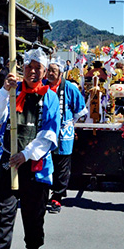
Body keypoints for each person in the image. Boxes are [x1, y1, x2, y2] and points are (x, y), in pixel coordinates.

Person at [0, 48, 60, 249]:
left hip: (35, 165)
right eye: (29, 66)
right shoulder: (12, 91)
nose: (33, 71)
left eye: (38, 68)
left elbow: (49, 133)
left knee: (34, 216)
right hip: (8, 163)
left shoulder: (50, 97)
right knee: (3, 214)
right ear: (21, 69)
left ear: (46, 72)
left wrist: (25, 154)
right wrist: (5, 90)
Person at [45, 57, 87, 214]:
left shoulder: (69, 87)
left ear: (61, 73)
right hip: (47, 130)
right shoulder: (43, 86)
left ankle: (57, 196)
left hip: (63, 131)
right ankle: (47, 192)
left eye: (53, 71)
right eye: (48, 70)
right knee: (46, 162)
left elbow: (80, 108)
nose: (50, 73)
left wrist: (69, 122)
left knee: (62, 163)